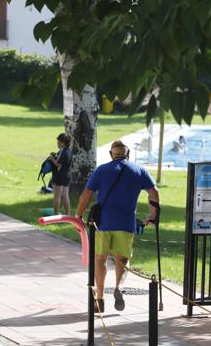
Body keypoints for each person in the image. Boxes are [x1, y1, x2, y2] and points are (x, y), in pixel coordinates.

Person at [75, 140, 160, 313]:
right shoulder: (139, 170)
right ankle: (119, 288)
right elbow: (154, 193)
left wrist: (79, 215)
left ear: (111, 154)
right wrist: (153, 215)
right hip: (126, 222)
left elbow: (86, 193)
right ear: (128, 154)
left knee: (100, 259)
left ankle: (99, 299)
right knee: (122, 259)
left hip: (102, 224)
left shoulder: (101, 170)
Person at [49, 133, 72, 215]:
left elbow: (58, 164)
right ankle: (67, 214)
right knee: (65, 196)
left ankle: (55, 214)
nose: (57, 143)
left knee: (57, 196)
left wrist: (52, 158)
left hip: (59, 176)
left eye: (58, 141)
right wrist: (55, 155)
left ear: (63, 142)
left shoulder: (63, 152)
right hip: (67, 175)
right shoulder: (69, 151)